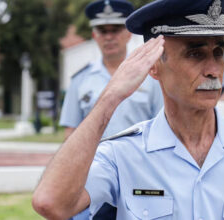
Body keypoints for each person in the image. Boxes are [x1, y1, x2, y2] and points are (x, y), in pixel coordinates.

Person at [33, 0, 224, 219]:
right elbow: (51, 203)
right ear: (154, 66)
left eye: (218, 52)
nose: (213, 70)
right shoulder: (122, 155)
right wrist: (110, 97)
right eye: (195, 54)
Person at [59, 0, 163, 219]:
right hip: (92, 179)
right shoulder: (81, 79)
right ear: (94, 35)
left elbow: (163, 127)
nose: (109, 36)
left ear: (127, 34)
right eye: (102, 30)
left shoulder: (151, 75)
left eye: (115, 30)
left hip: (140, 177)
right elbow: (70, 134)